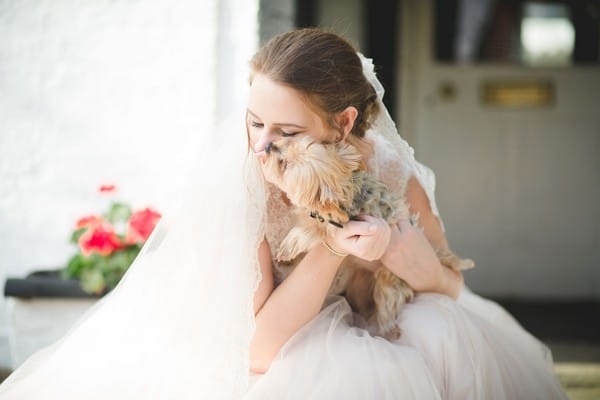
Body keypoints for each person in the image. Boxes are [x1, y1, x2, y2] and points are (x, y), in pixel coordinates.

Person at [0, 28, 567, 399]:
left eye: (288, 132)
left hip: (376, 325)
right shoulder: (245, 187)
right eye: (254, 121)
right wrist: (333, 240)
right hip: (273, 355)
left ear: (344, 123)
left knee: (439, 329)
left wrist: (409, 259)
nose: (262, 147)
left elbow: (447, 288)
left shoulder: (392, 171)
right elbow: (259, 350)